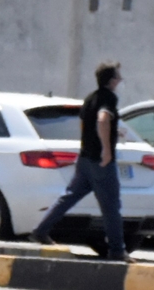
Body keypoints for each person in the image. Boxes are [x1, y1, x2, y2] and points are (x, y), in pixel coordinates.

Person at [28, 62, 128, 261]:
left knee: (69, 197)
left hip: (84, 159)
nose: (120, 80)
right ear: (111, 80)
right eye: (118, 76)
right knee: (111, 206)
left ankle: (41, 230)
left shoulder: (90, 98)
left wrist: (113, 133)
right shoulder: (109, 97)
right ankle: (117, 251)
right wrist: (107, 150)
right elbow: (102, 120)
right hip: (100, 162)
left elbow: (88, 124)